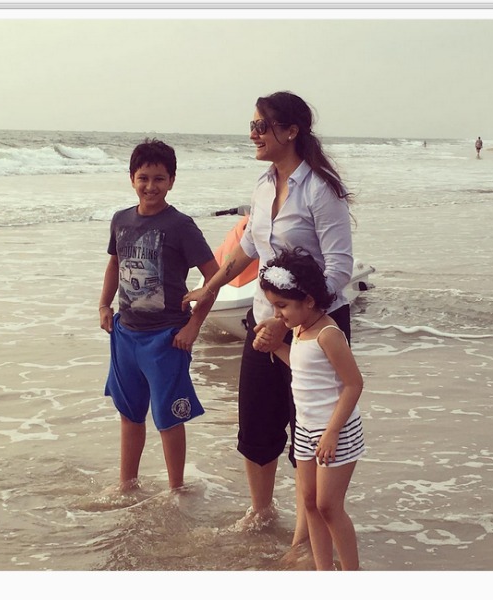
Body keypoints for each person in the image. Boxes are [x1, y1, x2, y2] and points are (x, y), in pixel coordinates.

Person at [182, 91, 354, 544]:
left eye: (262, 126)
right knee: (257, 423)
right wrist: (211, 287)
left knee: (309, 430)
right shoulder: (263, 185)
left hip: (316, 331)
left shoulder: (321, 190)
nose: (253, 134)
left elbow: (339, 269)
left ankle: (304, 538)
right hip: (262, 322)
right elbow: (249, 248)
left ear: (291, 131)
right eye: (252, 125)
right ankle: (260, 513)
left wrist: (293, 321)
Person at [99, 138, 219, 492]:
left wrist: (194, 326)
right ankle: (127, 485)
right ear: (131, 179)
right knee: (129, 414)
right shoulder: (121, 220)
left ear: (172, 181)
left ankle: (176, 490)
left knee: (168, 418)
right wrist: (104, 305)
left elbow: (214, 278)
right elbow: (114, 264)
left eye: (159, 179)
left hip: (167, 337)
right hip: (126, 334)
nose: (150, 186)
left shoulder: (180, 226)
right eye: (143, 178)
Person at [255, 248, 365, 570]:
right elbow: (303, 368)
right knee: (309, 502)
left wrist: (331, 433)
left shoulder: (329, 334)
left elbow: (354, 384)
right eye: (274, 306)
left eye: (282, 306)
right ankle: (323, 570)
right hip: (305, 429)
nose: (277, 314)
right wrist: (276, 346)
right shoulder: (299, 329)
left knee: (328, 505)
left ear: (309, 301)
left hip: (336, 431)